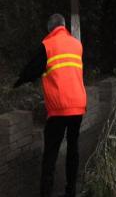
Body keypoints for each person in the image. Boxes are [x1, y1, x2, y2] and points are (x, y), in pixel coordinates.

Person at [13, 14, 87, 197]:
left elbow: (31, 70)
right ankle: (71, 191)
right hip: (78, 106)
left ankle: (46, 193)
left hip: (59, 108)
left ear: (50, 29)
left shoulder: (48, 46)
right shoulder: (77, 45)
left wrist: (18, 83)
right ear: (63, 26)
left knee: (51, 153)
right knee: (73, 149)